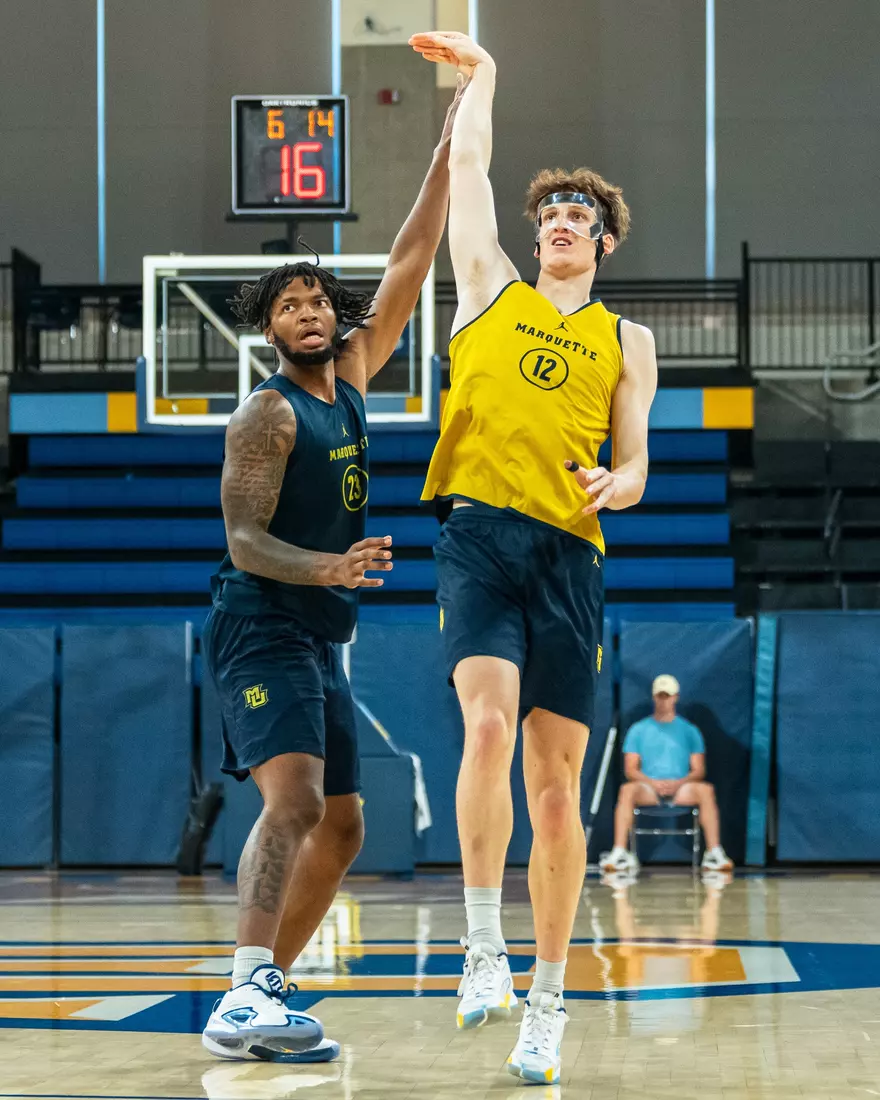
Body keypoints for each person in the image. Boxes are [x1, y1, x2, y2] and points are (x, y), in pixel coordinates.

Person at [200, 78, 468, 1064]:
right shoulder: (265, 413)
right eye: (290, 303)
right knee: (299, 800)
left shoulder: (353, 376)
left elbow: (410, 258)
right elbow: (243, 539)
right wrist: (332, 564)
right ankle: (241, 989)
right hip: (260, 618)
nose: (308, 310)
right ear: (271, 328)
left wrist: (447, 146)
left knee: (348, 824)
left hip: (317, 630)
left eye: (317, 298)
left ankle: (266, 988)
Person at [409, 30, 658, 1086]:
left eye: (580, 218)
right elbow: (467, 167)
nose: (561, 222)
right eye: (551, 212)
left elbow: (637, 457)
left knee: (556, 792)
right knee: (484, 720)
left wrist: (623, 481)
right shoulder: (486, 287)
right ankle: (480, 945)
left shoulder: (628, 340)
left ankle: (547, 1004)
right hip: (477, 534)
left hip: (569, 552)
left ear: (602, 243)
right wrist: (488, 78)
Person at [601, 674, 735, 875]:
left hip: (681, 788)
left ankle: (714, 852)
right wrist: (653, 783)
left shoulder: (690, 731)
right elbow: (631, 769)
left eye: (668, 696)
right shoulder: (638, 730)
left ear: (676, 697)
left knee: (706, 791)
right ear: (654, 697)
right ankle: (620, 852)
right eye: (660, 696)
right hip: (648, 789)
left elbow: (699, 770)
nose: (664, 700)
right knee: (627, 791)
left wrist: (678, 783)